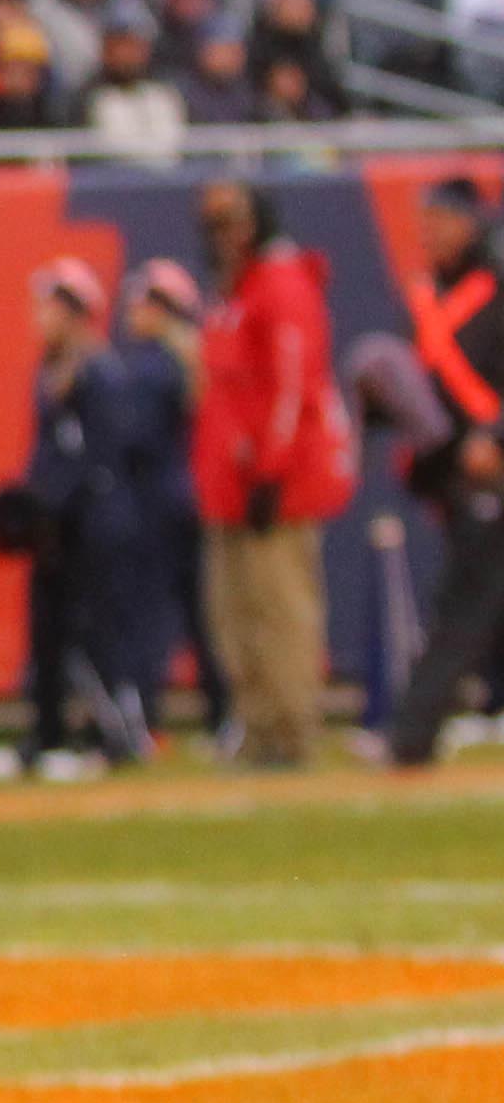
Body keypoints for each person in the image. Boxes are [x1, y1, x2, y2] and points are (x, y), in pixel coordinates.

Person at [192, 179, 353, 768]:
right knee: (234, 616)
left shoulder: (280, 288)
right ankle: (257, 727)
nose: (221, 236)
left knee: (279, 611)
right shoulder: (232, 292)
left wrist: (270, 471)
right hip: (231, 484)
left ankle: (289, 730)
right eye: (213, 223)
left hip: (271, 484)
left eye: (231, 221)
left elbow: (292, 389)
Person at [0, 260, 163, 778]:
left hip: (97, 523)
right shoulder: (54, 370)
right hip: (62, 527)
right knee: (48, 634)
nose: (40, 317)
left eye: (50, 305)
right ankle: (47, 735)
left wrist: (58, 503)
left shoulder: (100, 373)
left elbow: (100, 459)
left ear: (76, 312)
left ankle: (116, 737)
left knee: (99, 634)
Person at [385, 175, 504, 765]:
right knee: (472, 595)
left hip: (492, 468)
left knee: (466, 604)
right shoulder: (426, 295)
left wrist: (494, 434)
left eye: (440, 220)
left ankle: (412, 735)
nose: (428, 233)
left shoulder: (495, 287)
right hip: (455, 474)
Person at [119, 261, 225, 739]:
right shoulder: (196, 358)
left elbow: (135, 439)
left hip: (158, 500)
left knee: (149, 616)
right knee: (203, 615)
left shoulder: (152, 366)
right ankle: (223, 714)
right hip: (195, 497)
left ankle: (143, 718)